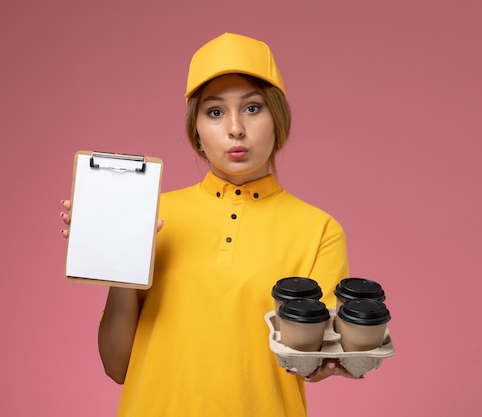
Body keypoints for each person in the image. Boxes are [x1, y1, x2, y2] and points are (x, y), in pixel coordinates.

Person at [61, 32, 356, 417]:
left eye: (252, 108)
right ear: (197, 132)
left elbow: (315, 360)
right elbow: (118, 367)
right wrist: (120, 259)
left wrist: (330, 360)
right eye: (215, 112)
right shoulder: (154, 215)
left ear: (277, 120)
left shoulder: (319, 230)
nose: (235, 128)